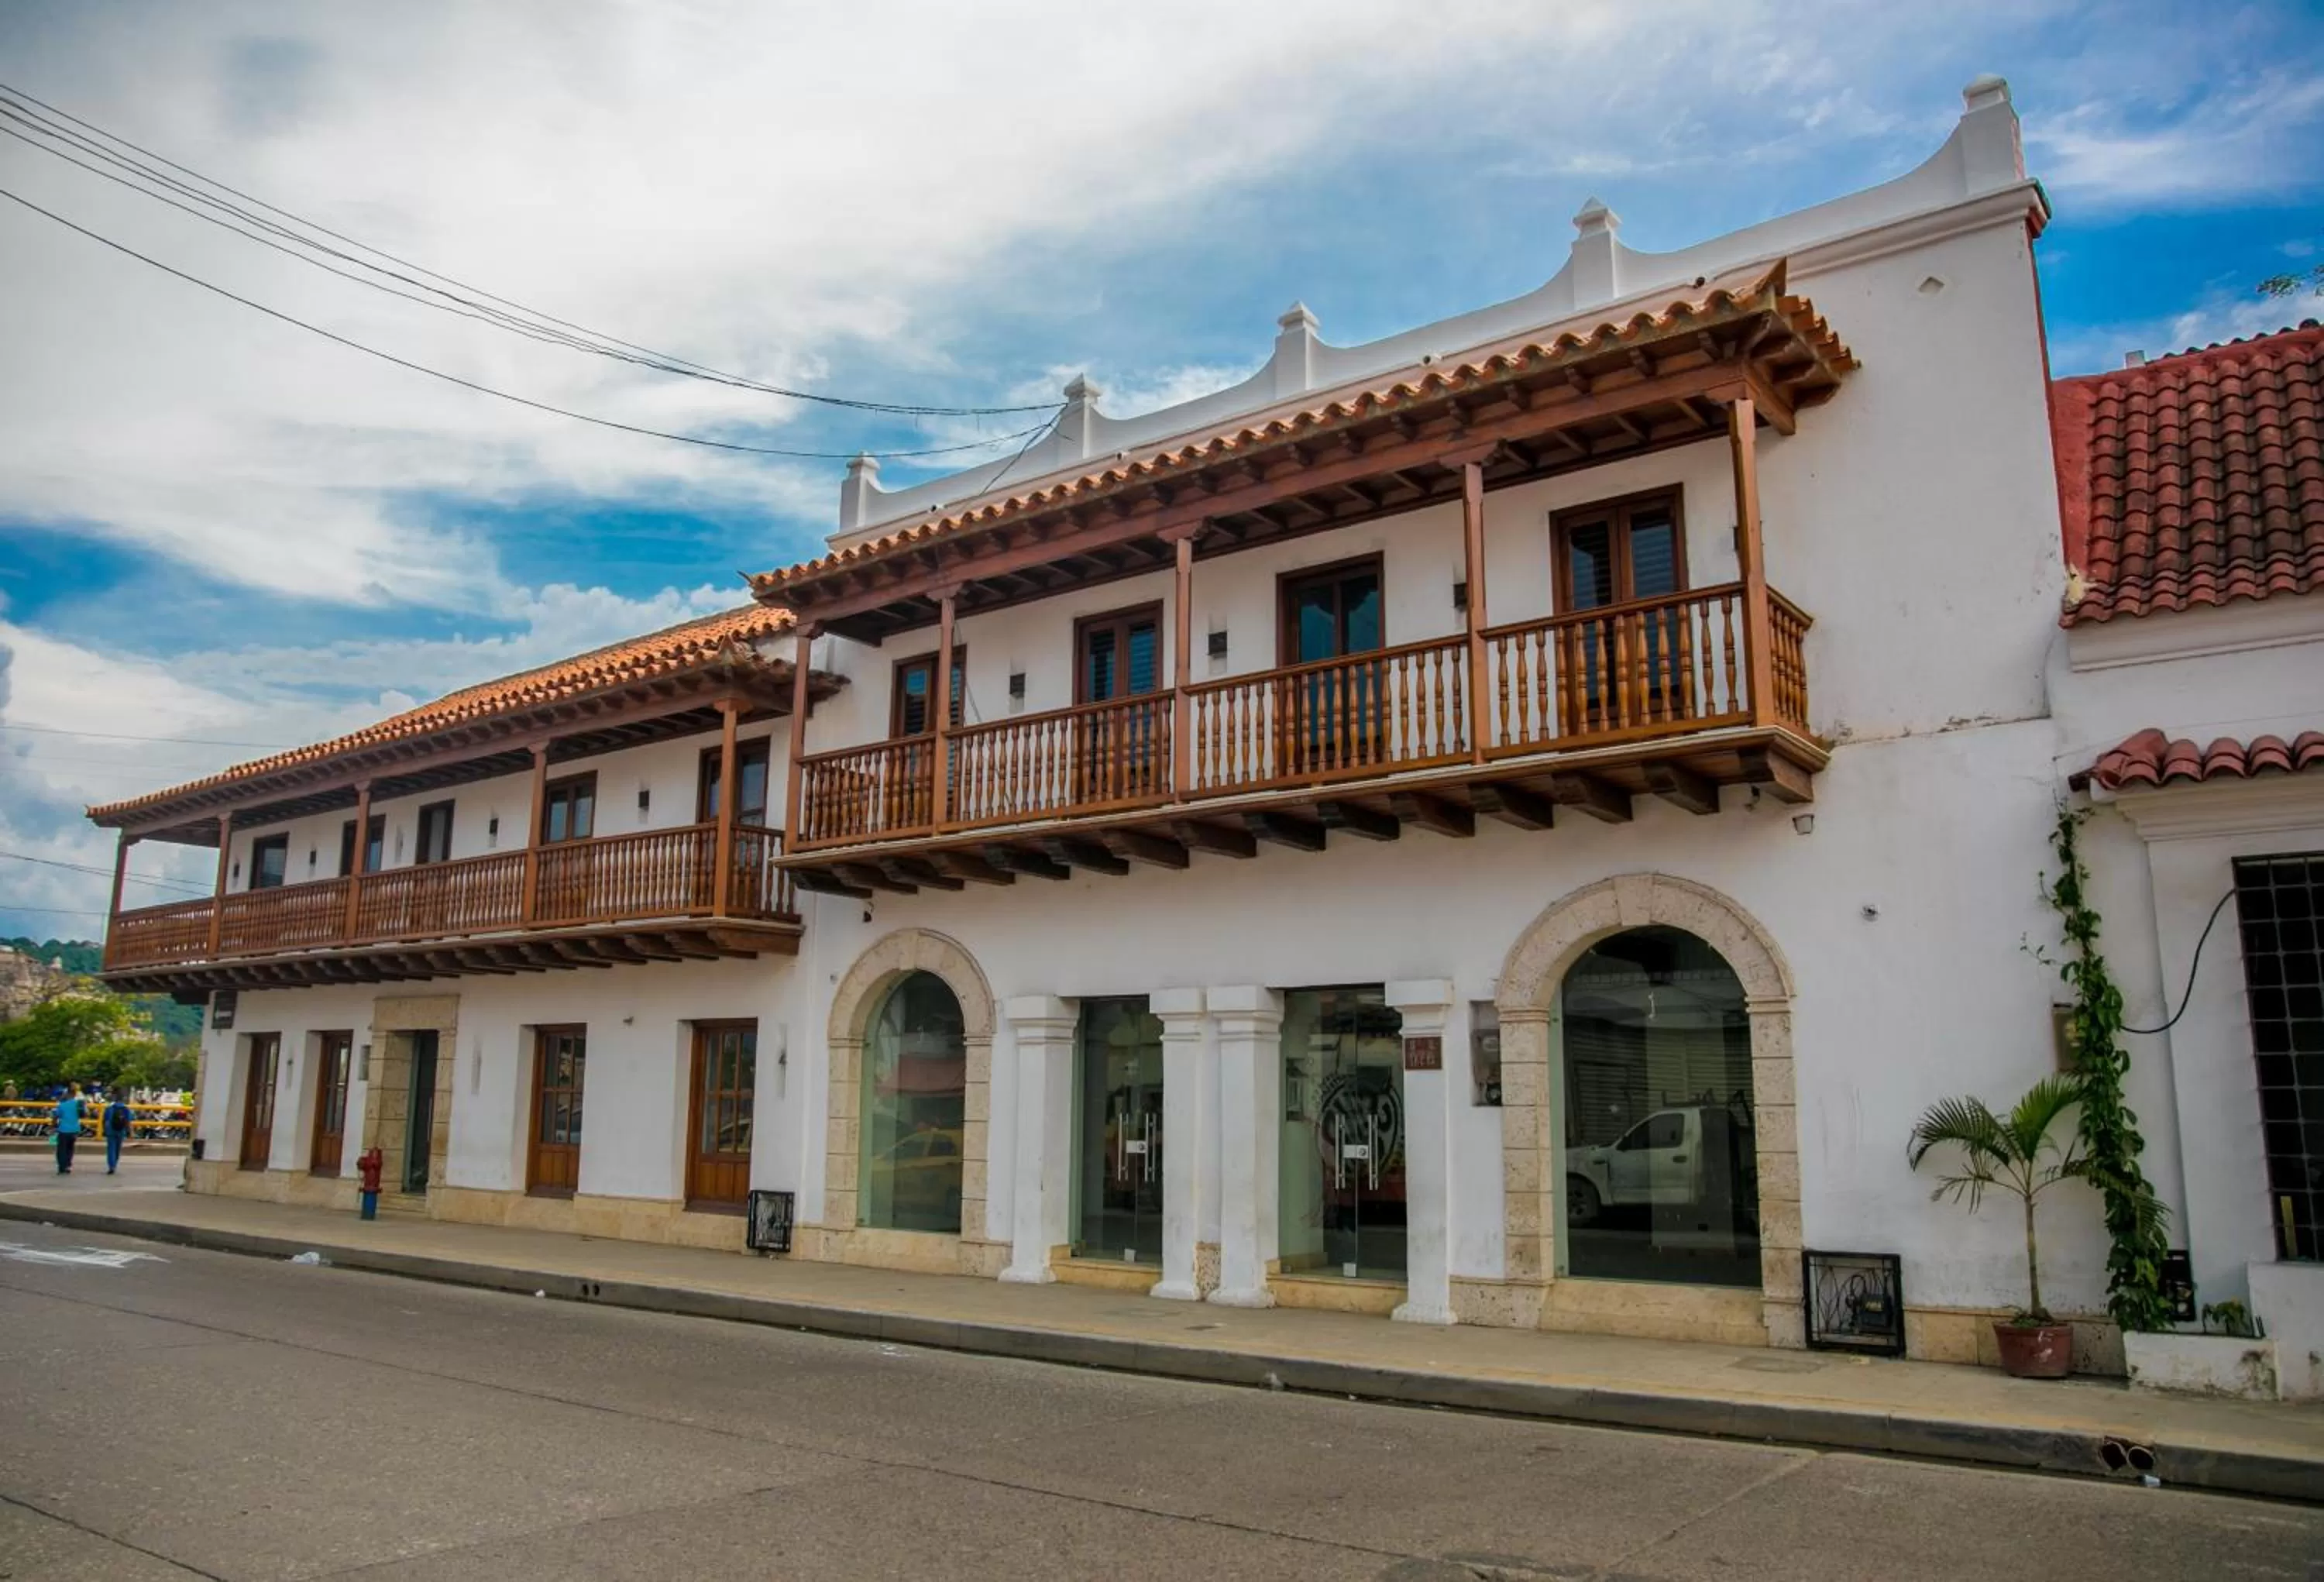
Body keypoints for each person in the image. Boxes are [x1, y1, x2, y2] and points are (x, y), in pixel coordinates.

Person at [53, 1082, 84, 1175]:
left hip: (63, 1130)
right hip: (75, 1130)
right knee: (70, 1149)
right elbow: (83, 1114)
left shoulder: (62, 1105)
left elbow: (56, 1116)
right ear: (74, 1094)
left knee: (61, 1149)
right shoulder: (78, 1104)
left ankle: (61, 1167)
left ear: (67, 1094)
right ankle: (68, 1165)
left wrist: (54, 1125)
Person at [103, 1089, 134, 1174]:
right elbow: (128, 1122)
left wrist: (104, 1130)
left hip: (111, 1131)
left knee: (111, 1149)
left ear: (114, 1098)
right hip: (121, 1131)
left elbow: (105, 1120)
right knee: (117, 1149)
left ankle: (111, 1166)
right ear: (123, 1098)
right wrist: (130, 1132)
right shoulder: (126, 1109)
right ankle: (115, 1164)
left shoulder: (109, 1108)